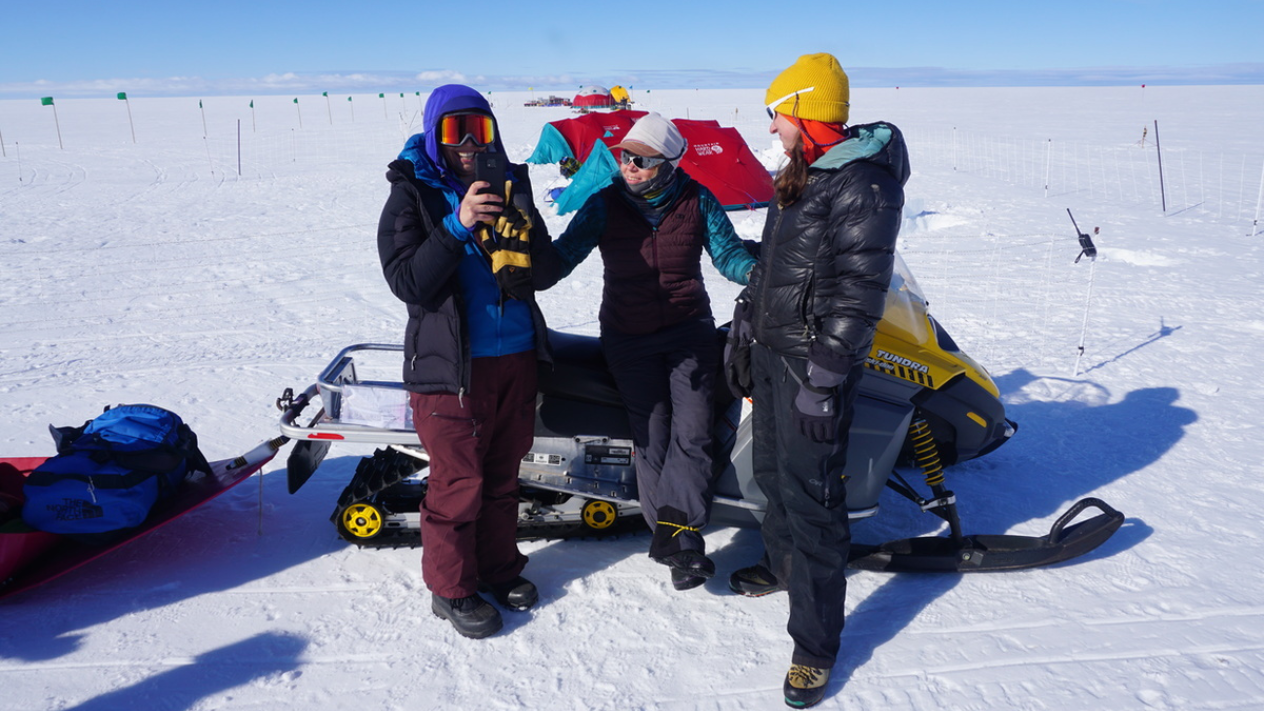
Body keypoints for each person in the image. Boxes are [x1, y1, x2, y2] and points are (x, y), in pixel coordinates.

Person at [723, 53, 909, 708]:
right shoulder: (799, 174)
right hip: (775, 356)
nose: (771, 127)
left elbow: (859, 296)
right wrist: (746, 326)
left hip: (812, 370)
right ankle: (783, 567)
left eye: (777, 114)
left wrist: (824, 379)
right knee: (772, 475)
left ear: (804, 110)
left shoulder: (864, 184)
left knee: (813, 500)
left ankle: (815, 645)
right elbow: (774, 269)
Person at [535, 112, 757, 591]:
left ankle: (680, 536)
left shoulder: (698, 201)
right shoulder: (604, 204)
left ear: (669, 163)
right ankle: (680, 543)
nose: (629, 165)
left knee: (694, 429)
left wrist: (761, 274)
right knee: (654, 432)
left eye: (641, 159)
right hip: (628, 336)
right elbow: (562, 256)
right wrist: (525, 263)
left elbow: (729, 256)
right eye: (625, 156)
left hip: (688, 330)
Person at [376, 84, 554, 639]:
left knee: (503, 475)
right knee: (459, 481)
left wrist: (522, 230)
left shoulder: (510, 182)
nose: (470, 143)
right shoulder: (413, 194)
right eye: (456, 131)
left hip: (516, 357)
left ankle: (498, 568)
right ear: (434, 135)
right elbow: (409, 283)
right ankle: (451, 589)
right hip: (452, 368)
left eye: (481, 128)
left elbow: (542, 273)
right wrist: (457, 225)